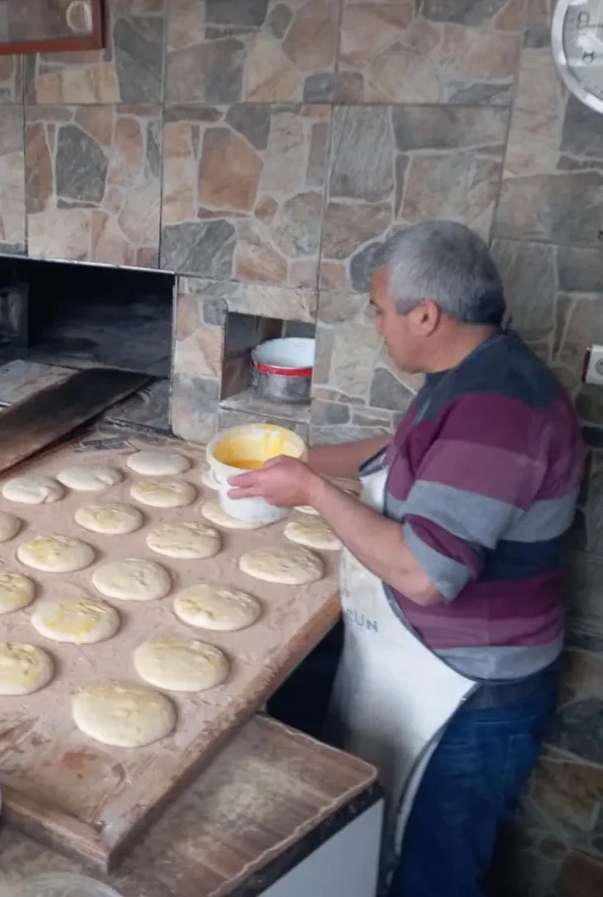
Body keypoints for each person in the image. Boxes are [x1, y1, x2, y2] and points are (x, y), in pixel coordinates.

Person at [229, 221, 583, 897]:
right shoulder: (474, 376)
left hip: (470, 691)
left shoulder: (498, 410)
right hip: (432, 665)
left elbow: (426, 573)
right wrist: (292, 460)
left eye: (380, 311)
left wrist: (305, 491)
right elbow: (393, 458)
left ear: (427, 315)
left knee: (436, 875)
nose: (376, 325)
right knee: (382, 851)